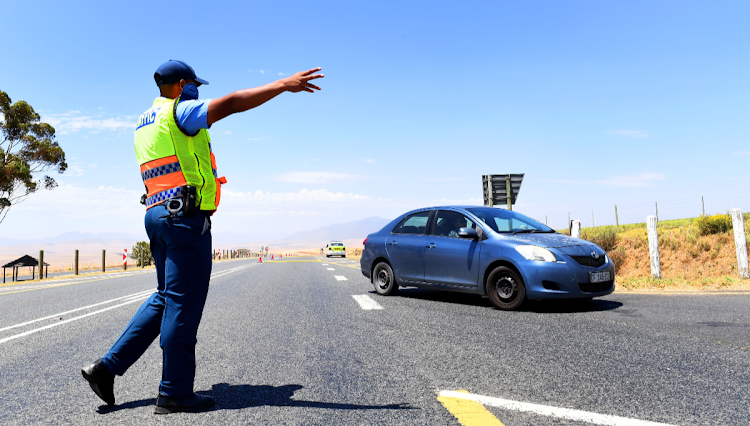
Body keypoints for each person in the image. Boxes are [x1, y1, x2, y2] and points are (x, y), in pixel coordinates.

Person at [81, 60, 323, 414]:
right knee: (182, 303)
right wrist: (283, 84)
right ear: (182, 84)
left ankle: (106, 368)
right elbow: (235, 102)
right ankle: (174, 392)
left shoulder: (144, 121)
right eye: (195, 85)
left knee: (165, 297)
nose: (198, 92)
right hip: (184, 220)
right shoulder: (181, 111)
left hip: (156, 214)